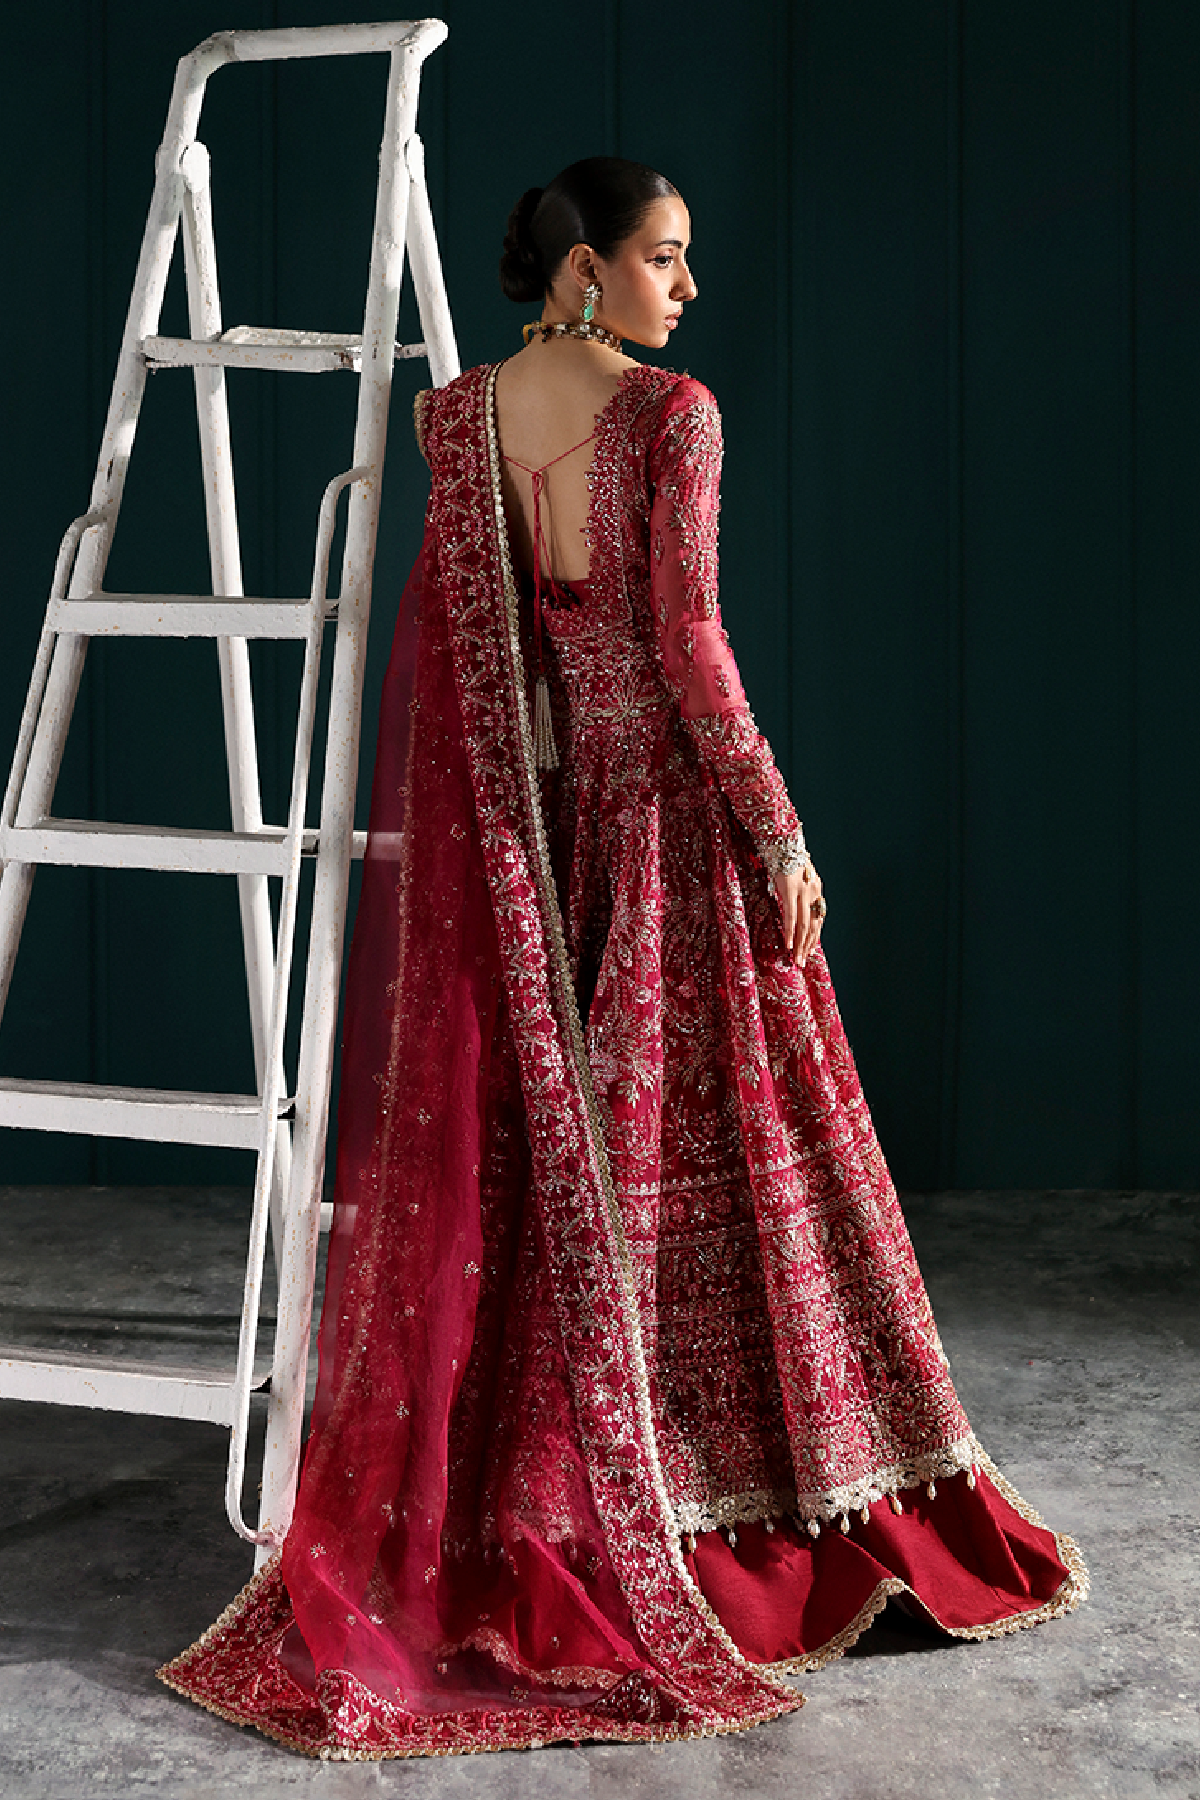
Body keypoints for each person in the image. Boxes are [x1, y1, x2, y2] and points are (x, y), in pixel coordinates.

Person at [159, 158, 1087, 1760]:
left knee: (566, 1171)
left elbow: (500, 661)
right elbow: (689, 643)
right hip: (663, 828)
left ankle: (545, 1496)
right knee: (741, 1154)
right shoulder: (673, 417)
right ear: (583, 269)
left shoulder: (459, 420)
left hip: (542, 845)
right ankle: (737, 1504)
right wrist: (777, 834)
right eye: (665, 258)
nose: (688, 288)